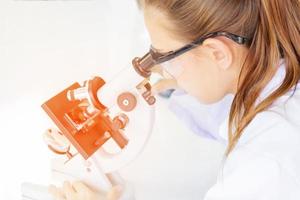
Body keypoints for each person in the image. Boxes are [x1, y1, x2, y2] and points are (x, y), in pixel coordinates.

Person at [49, 0, 300, 199]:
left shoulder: (268, 163)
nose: (162, 69)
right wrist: (174, 82)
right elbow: (223, 113)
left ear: (217, 53)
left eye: (165, 56)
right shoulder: (275, 77)